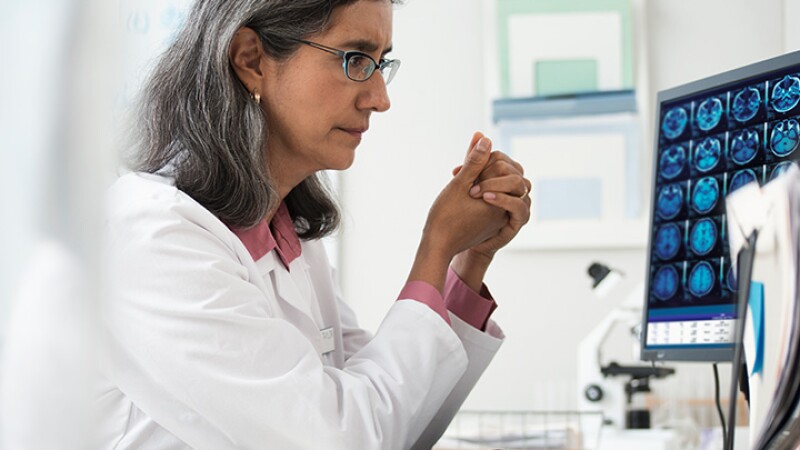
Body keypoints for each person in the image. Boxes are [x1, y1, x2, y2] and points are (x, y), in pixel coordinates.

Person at [98, 0, 532, 448]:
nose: (380, 99)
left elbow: (400, 419)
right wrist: (434, 248)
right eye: (356, 59)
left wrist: (464, 265)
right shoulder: (153, 237)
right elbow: (344, 438)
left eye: (381, 63)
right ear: (251, 60)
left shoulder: (288, 235)